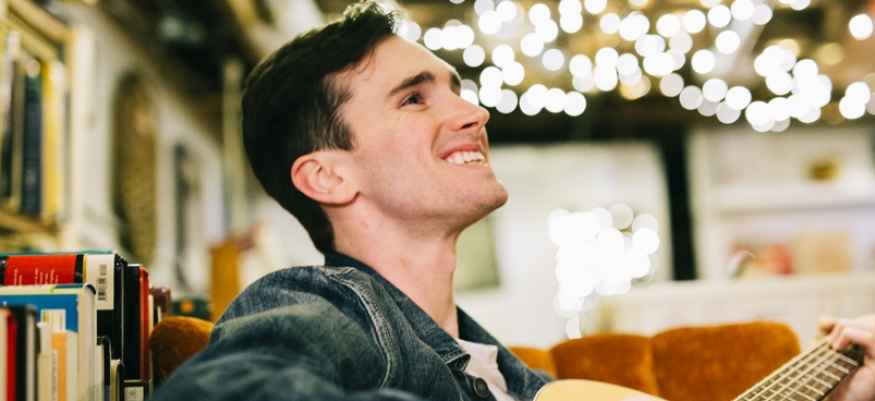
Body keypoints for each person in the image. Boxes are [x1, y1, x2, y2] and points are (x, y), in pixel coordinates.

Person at [151, 1, 875, 400]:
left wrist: (837, 386)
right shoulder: (324, 306)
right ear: (329, 178)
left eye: (458, 90)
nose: (475, 114)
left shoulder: (510, 379)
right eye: (414, 98)